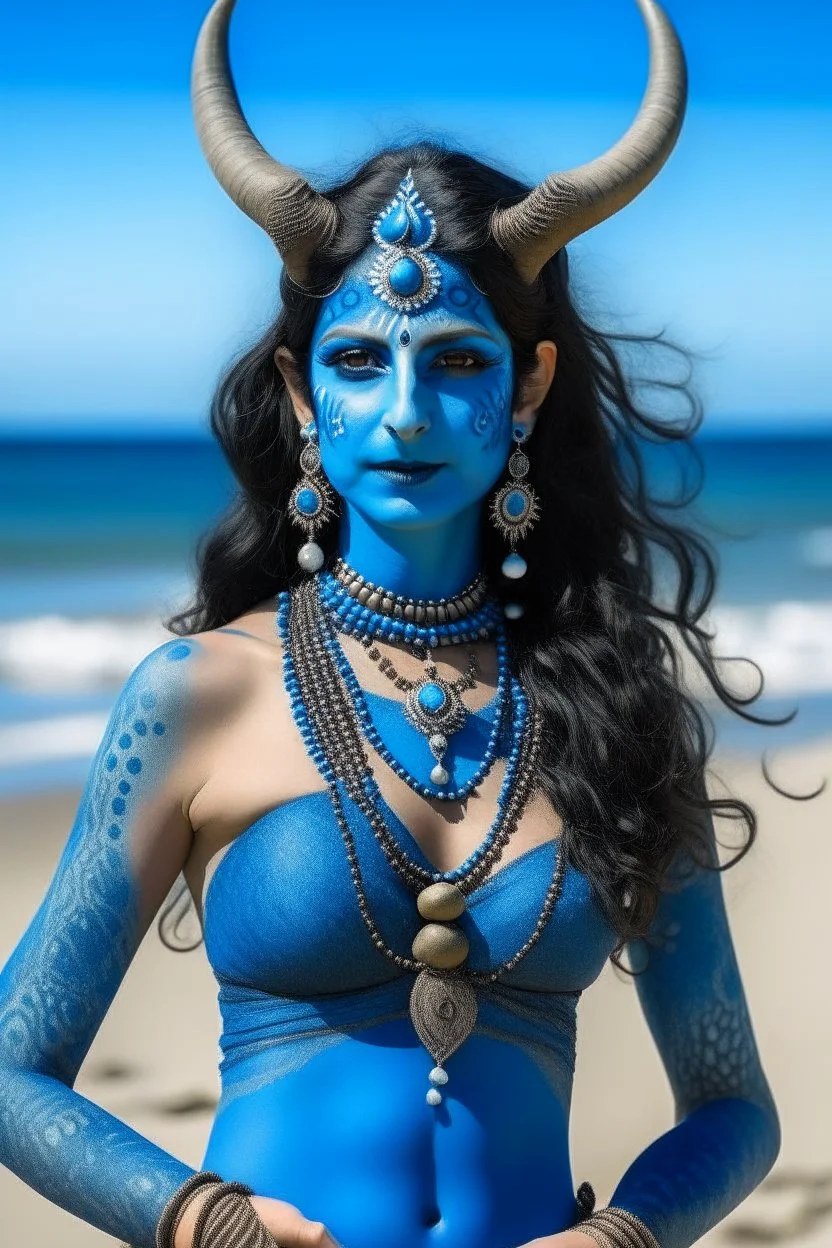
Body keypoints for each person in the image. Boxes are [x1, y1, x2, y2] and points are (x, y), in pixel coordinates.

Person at [0, 1, 784, 1246]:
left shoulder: (614, 707)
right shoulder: (197, 694)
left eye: (460, 363)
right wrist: (201, 1223)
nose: (406, 409)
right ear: (299, 396)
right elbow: (11, 1068)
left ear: (528, 384)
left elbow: (734, 1105)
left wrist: (623, 1235)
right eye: (359, 360)